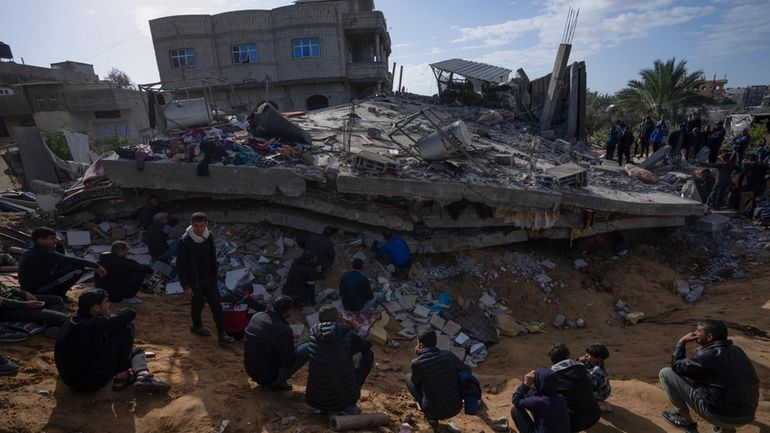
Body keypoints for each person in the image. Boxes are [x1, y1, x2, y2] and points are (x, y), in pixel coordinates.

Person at [54, 289, 169, 393]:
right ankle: (122, 378)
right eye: (106, 302)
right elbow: (130, 313)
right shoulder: (94, 324)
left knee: (136, 351)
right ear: (96, 308)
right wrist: (111, 318)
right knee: (126, 328)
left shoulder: (72, 319)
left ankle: (142, 374)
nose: (108, 305)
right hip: (87, 382)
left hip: (70, 377)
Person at [659, 320, 758, 433]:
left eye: (698, 331)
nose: (694, 333)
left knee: (666, 373)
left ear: (709, 337)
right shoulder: (737, 351)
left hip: (721, 417)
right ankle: (726, 429)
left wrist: (681, 342)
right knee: (724, 384)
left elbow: (677, 366)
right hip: (748, 415)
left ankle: (686, 421)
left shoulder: (707, 355)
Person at [177, 212, 234, 344]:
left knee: (216, 305)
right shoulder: (185, 241)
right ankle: (197, 325)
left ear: (206, 224)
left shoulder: (208, 236)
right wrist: (185, 285)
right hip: (195, 280)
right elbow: (181, 265)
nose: (199, 229)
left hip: (209, 278)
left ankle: (222, 333)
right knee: (197, 305)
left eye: (202, 226)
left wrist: (216, 271)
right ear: (192, 225)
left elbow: (211, 256)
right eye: (196, 226)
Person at [305, 305, 373, 415]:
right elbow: (367, 345)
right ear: (338, 318)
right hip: (343, 400)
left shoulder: (313, 335)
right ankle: (351, 399)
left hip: (316, 399)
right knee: (368, 355)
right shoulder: (346, 334)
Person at [405, 330, 469, 430]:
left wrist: (420, 355)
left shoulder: (417, 363)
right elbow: (466, 370)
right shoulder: (448, 355)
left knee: (409, 378)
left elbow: (415, 382)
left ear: (420, 345)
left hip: (433, 411)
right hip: (455, 407)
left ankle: (431, 419)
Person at [19, 227, 107, 297]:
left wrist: (60, 246)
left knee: (66, 265)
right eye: (52, 239)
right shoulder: (42, 253)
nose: (55, 241)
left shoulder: (34, 250)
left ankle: (55, 293)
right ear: (41, 240)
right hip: (36, 289)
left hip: (31, 286)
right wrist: (96, 266)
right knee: (78, 269)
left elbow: (59, 260)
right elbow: (68, 260)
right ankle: (58, 294)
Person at [244, 296, 308, 391]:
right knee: (308, 346)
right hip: (267, 377)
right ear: (289, 311)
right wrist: (292, 345)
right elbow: (289, 361)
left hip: (250, 370)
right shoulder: (283, 329)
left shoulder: (257, 316)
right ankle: (278, 382)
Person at [548, 343, 600, 432]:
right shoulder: (582, 368)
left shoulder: (551, 377)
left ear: (552, 360)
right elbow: (572, 364)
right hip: (595, 415)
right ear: (568, 356)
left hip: (572, 424)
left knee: (542, 403)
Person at [510, 368, 570, 433]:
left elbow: (515, 400)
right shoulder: (560, 398)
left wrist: (525, 385)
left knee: (515, 409)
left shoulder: (538, 402)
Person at [0, 282, 68, 328]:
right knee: (58, 317)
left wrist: (24, 293)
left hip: (15, 299)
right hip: (6, 309)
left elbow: (6, 289)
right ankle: (53, 322)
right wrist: (26, 305)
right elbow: (4, 302)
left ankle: (51, 326)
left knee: (56, 300)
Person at [578, 343, 612, 413]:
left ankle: (597, 403)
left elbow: (591, 385)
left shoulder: (598, 370)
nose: (586, 355)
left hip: (601, 392)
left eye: (590, 355)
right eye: (587, 353)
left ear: (598, 359)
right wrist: (578, 360)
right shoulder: (591, 361)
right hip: (597, 386)